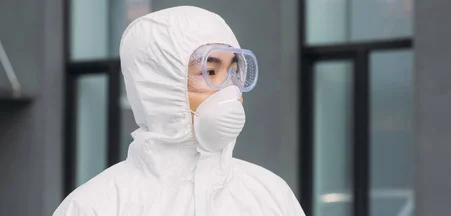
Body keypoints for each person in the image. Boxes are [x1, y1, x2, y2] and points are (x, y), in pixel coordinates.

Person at [53, 6, 305, 216]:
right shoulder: (98, 206)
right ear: (160, 86)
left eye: (233, 71)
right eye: (210, 72)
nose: (230, 89)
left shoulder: (270, 196)